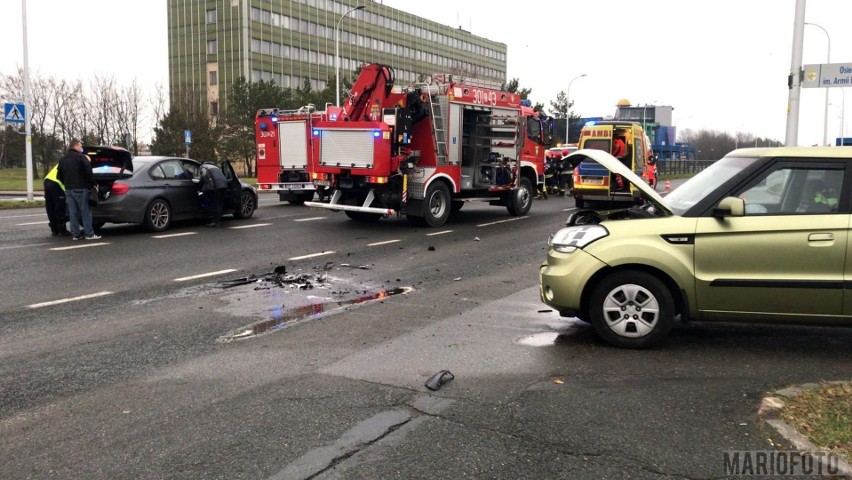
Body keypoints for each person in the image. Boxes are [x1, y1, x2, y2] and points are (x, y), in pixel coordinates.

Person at [57, 140, 100, 240]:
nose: (82, 148)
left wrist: (67, 183)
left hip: (68, 189)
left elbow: (58, 176)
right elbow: (89, 172)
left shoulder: (63, 159)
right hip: (81, 188)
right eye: (80, 146)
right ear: (75, 146)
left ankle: (76, 234)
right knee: (85, 212)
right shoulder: (81, 157)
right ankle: (89, 234)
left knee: (73, 213)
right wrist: (94, 184)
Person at [43, 163, 71, 236]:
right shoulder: (76, 163)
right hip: (56, 184)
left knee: (50, 207)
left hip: (47, 181)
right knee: (59, 208)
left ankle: (54, 229)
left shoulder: (64, 161)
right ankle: (62, 230)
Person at [199, 161, 228, 227]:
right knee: (220, 203)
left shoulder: (203, 167)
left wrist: (200, 186)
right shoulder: (215, 167)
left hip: (216, 186)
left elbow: (203, 178)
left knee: (215, 204)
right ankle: (218, 219)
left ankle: (215, 222)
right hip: (224, 185)